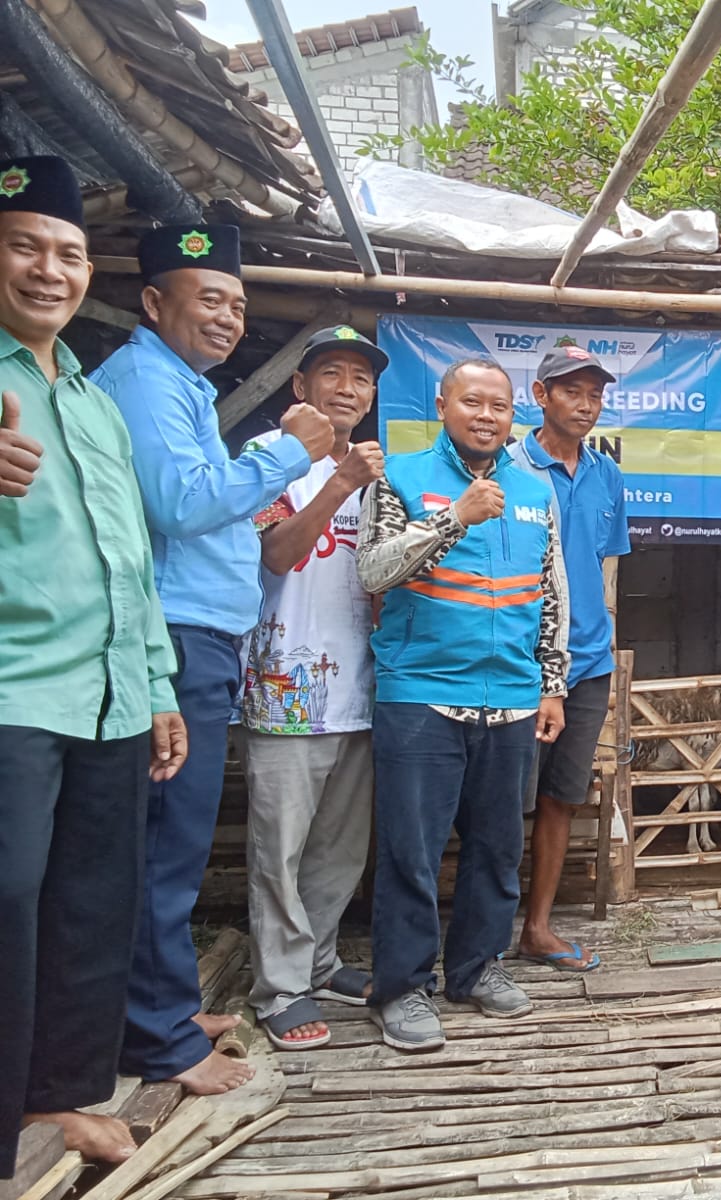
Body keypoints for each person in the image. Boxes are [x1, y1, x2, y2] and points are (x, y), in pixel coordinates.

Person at [93, 224, 333, 1093]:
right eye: (208, 300)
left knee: (177, 838)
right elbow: (186, 506)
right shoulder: (146, 384)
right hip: (177, 634)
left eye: (236, 303)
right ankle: (155, 1040)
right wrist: (286, 450)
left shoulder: (180, 387)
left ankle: (160, 1006)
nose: (228, 318)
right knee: (165, 838)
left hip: (203, 637)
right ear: (155, 303)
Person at [0, 156, 188, 1178]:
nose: (49, 270)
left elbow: (131, 559)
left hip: (111, 694)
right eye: (24, 246)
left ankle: (55, 1099)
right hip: (14, 690)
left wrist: (157, 685)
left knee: (86, 900)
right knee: (8, 894)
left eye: (67, 254)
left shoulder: (91, 397)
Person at [358, 358, 569, 1052]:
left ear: (514, 414)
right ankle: (402, 988)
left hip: (509, 695)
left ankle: (477, 968)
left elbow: (551, 594)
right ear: (443, 404)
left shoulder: (535, 488)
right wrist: (454, 518)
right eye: (472, 401)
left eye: (499, 406)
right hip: (421, 692)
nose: (486, 415)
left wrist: (551, 683)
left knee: (497, 846)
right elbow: (373, 569)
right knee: (410, 852)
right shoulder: (401, 477)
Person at [238, 325, 389, 1050]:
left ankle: (320, 961)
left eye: (361, 379)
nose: (348, 389)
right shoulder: (268, 464)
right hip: (283, 693)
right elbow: (274, 555)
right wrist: (337, 483)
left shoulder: (380, 477)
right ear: (300, 388)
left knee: (338, 852)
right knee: (280, 852)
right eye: (332, 373)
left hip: (359, 693)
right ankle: (279, 989)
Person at [509, 346, 629, 973]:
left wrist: (601, 640)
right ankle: (483, 933)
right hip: (517, 660)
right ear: (541, 394)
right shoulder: (508, 467)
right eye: (572, 391)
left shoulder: (606, 475)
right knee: (502, 800)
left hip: (586, 663)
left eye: (595, 394)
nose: (586, 404)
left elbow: (601, 567)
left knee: (562, 797)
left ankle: (538, 927)